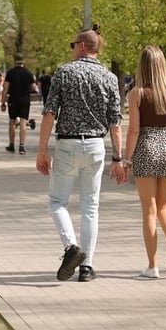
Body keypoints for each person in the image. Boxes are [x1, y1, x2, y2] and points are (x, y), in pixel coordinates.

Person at [35, 25, 124, 283]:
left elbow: (50, 113)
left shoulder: (64, 73)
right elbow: (115, 123)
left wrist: (42, 151)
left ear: (82, 46)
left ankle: (71, 246)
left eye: (73, 45)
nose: (72, 49)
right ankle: (87, 266)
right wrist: (118, 158)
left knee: (57, 202)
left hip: (67, 145)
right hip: (96, 145)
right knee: (90, 207)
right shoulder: (109, 78)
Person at [123, 46, 166, 279]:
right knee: (165, 207)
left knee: (149, 210)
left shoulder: (137, 93)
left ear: (142, 65)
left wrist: (126, 159)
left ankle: (152, 266)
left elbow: (133, 131)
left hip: (146, 147)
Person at [1, 52, 37, 155]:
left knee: (12, 121)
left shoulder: (10, 73)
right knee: (23, 122)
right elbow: (34, 88)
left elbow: (5, 88)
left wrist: (3, 102)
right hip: (25, 99)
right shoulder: (28, 73)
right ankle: (22, 146)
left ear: (14, 61)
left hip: (13, 99)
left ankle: (12, 145)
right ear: (23, 61)